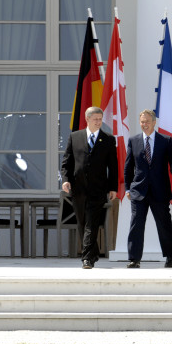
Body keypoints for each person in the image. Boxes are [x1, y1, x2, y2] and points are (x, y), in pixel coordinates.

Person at [61, 106, 118, 269]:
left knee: (92, 223)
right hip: (78, 188)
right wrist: (65, 180)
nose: (99, 122)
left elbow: (112, 166)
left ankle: (87, 259)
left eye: (100, 119)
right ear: (87, 119)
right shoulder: (75, 136)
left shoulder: (108, 139)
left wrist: (113, 187)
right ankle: (93, 252)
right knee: (82, 222)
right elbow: (67, 162)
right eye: (96, 119)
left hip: (98, 188)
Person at [124, 109, 172, 269]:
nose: (145, 124)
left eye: (147, 121)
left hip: (160, 190)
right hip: (138, 190)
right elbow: (128, 167)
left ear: (154, 122)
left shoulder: (165, 140)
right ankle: (134, 258)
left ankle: (170, 257)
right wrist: (128, 188)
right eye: (142, 121)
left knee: (164, 224)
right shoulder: (133, 140)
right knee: (136, 224)